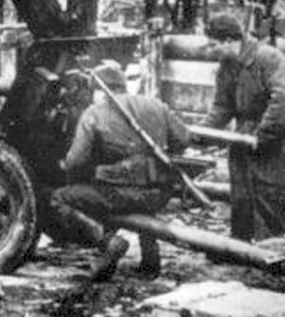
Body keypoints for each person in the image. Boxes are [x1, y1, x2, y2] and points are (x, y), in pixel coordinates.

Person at [51, 62, 191, 282]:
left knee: (61, 198)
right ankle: (150, 261)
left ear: (100, 90)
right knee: (136, 194)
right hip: (160, 194)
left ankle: (108, 242)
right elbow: (183, 139)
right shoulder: (155, 105)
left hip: (121, 195)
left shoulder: (95, 113)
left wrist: (66, 164)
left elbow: (75, 162)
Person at [200, 14, 285, 241]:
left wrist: (262, 135)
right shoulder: (226, 68)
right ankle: (243, 246)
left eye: (214, 45)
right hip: (246, 139)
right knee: (245, 196)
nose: (211, 51)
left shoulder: (268, 58)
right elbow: (222, 107)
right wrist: (200, 134)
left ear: (230, 40)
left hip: (282, 138)